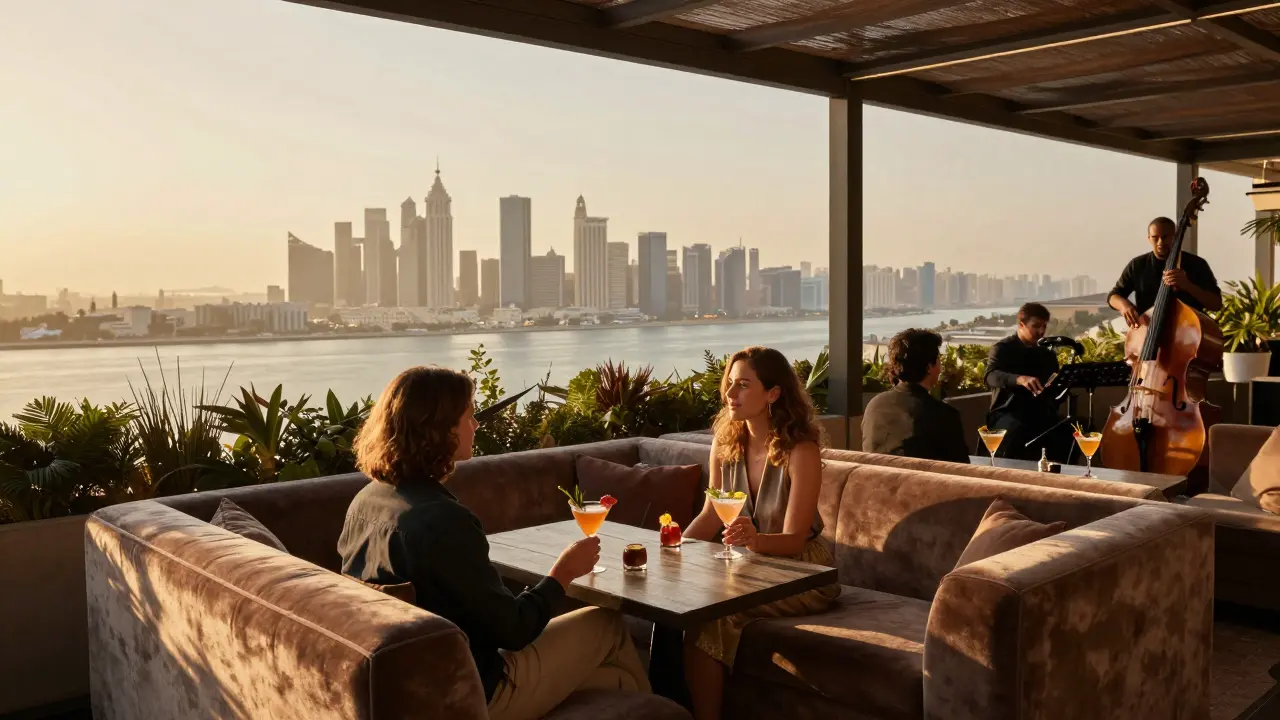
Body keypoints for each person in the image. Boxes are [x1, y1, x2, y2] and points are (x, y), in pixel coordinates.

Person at [337, 366, 650, 720]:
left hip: (405, 688)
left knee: (615, 678)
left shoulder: (363, 502)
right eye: (468, 416)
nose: (476, 425)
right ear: (439, 431)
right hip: (469, 693)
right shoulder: (444, 521)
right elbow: (512, 630)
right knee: (605, 624)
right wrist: (563, 573)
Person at [681, 346, 840, 720]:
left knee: (711, 615)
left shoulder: (800, 451)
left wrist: (754, 540)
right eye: (729, 384)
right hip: (749, 565)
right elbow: (710, 514)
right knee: (679, 605)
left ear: (773, 394)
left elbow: (795, 538)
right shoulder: (724, 445)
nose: (730, 395)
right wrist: (673, 547)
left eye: (743, 385)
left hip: (802, 572)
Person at [861, 328, 970, 463]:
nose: (940, 368)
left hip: (874, 482)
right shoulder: (943, 415)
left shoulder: (874, 405)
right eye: (938, 360)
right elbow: (961, 471)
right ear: (929, 367)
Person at [1108, 216, 1223, 328]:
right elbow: (1114, 296)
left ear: (1175, 237)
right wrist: (1124, 306)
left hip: (1188, 334)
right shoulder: (1137, 265)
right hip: (1148, 332)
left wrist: (1187, 285)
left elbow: (1216, 304)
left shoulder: (1197, 264)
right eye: (1155, 237)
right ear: (1149, 238)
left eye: (1165, 237)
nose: (1160, 242)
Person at [985, 302, 1066, 461]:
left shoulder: (1047, 355)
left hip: (1040, 412)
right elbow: (990, 376)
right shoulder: (1002, 349)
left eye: (1044, 326)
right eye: (1036, 326)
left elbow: (1055, 388)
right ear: (1021, 324)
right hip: (1007, 412)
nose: (1041, 331)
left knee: (1068, 432)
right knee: (1018, 432)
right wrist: (1019, 379)